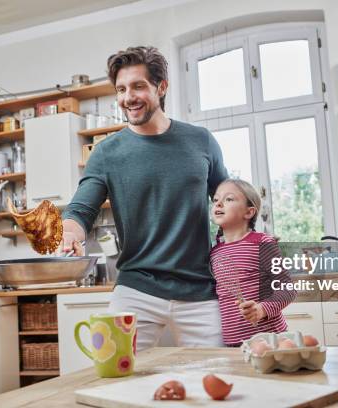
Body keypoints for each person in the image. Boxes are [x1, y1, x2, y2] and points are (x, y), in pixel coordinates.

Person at [61, 46, 229, 350]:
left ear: (161, 87)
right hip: (136, 288)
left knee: (215, 379)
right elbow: (81, 209)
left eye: (138, 86)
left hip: (200, 289)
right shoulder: (106, 153)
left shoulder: (201, 142)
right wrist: (71, 231)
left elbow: (228, 203)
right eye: (121, 89)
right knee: (116, 374)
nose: (128, 97)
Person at [210, 179, 296, 346]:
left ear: (249, 212)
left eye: (228, 199)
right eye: (215, 200)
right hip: (233, 343)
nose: (219, 203)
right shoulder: (215, 252)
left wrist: (262, 309)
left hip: (270, 340)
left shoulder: (262, 243)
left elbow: (288, 289)